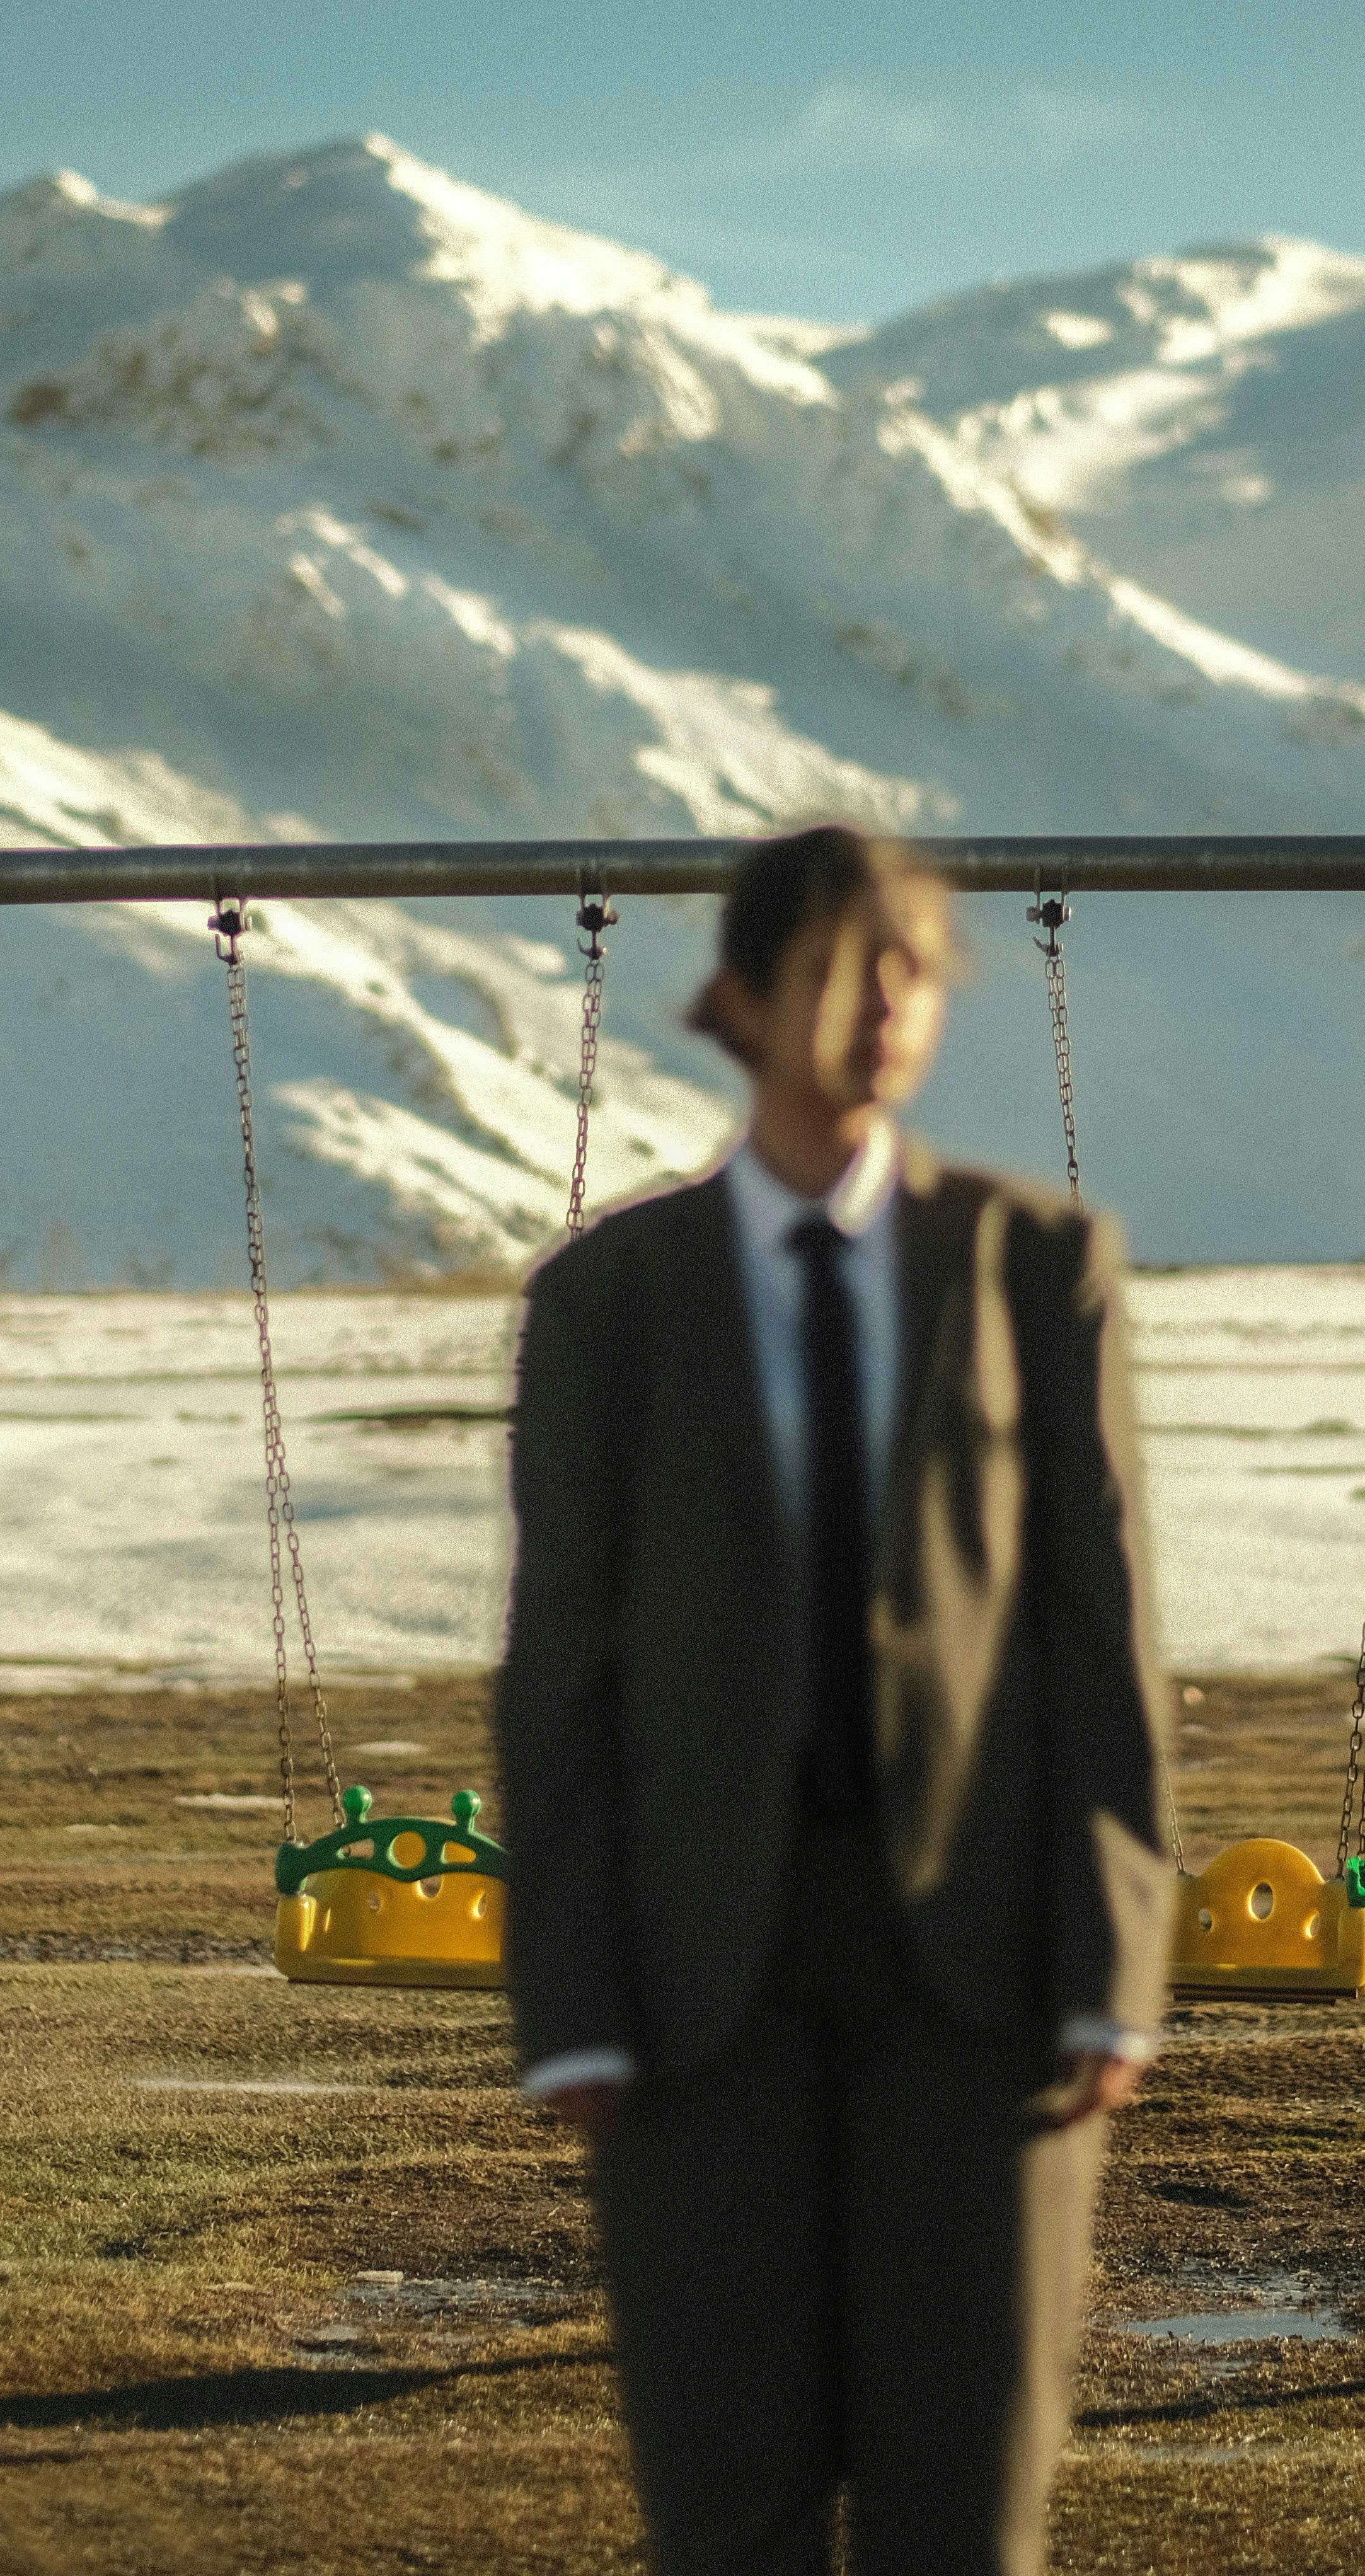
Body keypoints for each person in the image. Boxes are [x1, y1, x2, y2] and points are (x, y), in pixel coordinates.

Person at [496, 822, 1172, 2576]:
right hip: (697, 1971)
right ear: (738, 996)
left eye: (916, 968)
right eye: (839, 964)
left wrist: (1115, 1962)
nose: (884, 1005)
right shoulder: (609, 1301)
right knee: (732, 2505)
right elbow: (559, 1660)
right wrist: (566, 1998)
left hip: (986, 1965)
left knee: (970, 2504)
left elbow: (1102, 1630)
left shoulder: (1039, 1265)